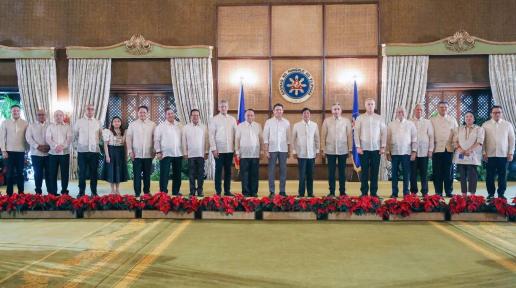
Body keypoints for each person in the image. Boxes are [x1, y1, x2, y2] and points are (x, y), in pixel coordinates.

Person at [354, 98, 386, 197]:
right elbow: (356, 132)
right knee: (364, 172)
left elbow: (384, 133)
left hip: (376, 149)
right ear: (365, 106)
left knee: (374, 171)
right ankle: (364, 192)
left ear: (374, 105)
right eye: (368, 104)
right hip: (363, 149)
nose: (370, 106)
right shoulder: (360, 118)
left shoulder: (379, 118)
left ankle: (373, 192)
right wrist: (358, 146)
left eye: (372, 104)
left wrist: (383, 146)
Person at [482, 106, 515, 199]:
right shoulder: (485, 125)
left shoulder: (508, 125)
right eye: (495, 112)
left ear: (501, 113)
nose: (497, 114)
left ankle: (501, 194)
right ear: (491, 114)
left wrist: (511, 152)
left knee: (502, 175)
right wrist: (484, 152)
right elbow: (482, 140)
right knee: (490, 176)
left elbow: (512, 140)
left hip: (503, 155)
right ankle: (491, 193)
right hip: (489, 155)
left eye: (499, 112)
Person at [321, 103, 352, 197]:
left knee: (342, 172)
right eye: (334, 109)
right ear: (332, 111)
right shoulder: (327, 121)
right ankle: (331, 192)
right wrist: (323, 149)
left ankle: (342, 192)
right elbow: (323, 136)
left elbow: (349, 136)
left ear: (341, 110)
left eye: (338, 109)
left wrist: (350, 149)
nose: (336, 111)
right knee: (331, 172)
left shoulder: (346, 121)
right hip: (330, 150)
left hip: (343, 150)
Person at [386, 107, 417, 198]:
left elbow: (414, 139)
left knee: (406, 173)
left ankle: (406, 192)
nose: (401, 113)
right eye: (399, 112)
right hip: (394, 153)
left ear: (405, 113)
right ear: (396, 113)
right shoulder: (391, 124)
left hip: (406, 152)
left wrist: (414, 151)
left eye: (402, 111)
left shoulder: (410, 124)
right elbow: (388, 139)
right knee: (394, 174)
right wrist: (387, 152)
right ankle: (394, 192)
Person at [126, 105, 156, 197]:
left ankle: (146, 192)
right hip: (136, 154)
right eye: (140, 112)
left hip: (148, 154)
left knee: (147, 175)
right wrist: (130, 151)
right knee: (137, 175)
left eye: (144, 112)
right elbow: (128, 138)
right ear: (137, 113)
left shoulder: (153, 124)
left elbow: (155, 138)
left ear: (147, 113)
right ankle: (137, 192)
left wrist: (155, 150)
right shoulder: (133, 124)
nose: (142, 114)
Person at [209, 100, 237, 196]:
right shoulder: (214, 119)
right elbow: (211, 135)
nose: (223, 108)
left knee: (228, 171)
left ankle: (227, 191)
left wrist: (236, 149)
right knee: (218, 171)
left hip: (230, 149)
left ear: (227, 107)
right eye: (221, 106)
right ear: (218, 108)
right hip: (219, 150)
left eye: (225, 106)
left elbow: (236, 135)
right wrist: (213, 149)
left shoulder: (232, 119)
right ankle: (218, 191)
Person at [430, 101, 458, 197]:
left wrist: (455, 146)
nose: (443, 109)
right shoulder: (432, 120)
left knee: (448, 172)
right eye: (441, 107)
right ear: (437, 108)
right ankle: (438, 192)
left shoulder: (452, 120)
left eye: (445, 107)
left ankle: (448, 191)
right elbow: (430, 135)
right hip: (436, 149)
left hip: (448, 149)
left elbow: (456, 134)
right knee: (437, 172)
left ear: (448, 108)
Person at [453, 112, 484, 196]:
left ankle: (472, 194)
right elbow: (455, 141)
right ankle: (463, 194)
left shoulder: (479, 129)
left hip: (472, 155)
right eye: (466, 117)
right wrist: (461, 150)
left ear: (474, 119)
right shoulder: (459, 129)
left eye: (471, 116)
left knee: (472, 176)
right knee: (462, 176)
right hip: (461, 154)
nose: (468, 118)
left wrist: (469, 150)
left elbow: (479, 142)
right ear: (464, 119)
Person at [263, 103, 291, 197]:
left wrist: (289, 151)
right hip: (272, 149)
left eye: (280, 109)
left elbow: (288, 138)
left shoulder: (286, 122)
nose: (278, 111)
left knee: (283, 170)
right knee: (271, 171)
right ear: (273, 111)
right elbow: (265, 137)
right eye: (277, 109)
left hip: (283, 149)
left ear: (283, 111)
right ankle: (272, 191)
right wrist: (266, 151)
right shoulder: (269, 122)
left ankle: (282, 191)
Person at [74, 104, 102, 197]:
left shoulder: (98, 122)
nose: (90, 111)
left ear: (94, 111)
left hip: (94, 151)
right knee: (82, 173)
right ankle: (81, 192)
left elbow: (100, 135)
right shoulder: (79, 122)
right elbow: (76, 134)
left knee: (94, 172)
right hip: (82, 151)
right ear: (85, 110)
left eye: (92, 109)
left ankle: (94, 192)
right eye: (88, 109)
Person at [0, 105, 28, 195]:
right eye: (14, 111)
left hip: (21, 151)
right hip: (9, 152)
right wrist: (3, 150)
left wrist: (27, 149)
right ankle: (9, 194)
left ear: (20, 112)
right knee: (9, 174)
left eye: (17, 111)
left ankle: (21, 193)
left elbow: (27, 137)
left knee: (20, 173)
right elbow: (2, 137)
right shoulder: (5, 122)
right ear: (10, 112)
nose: (15, 112)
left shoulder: (25, 123)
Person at [292, 108, 320, 197]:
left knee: (310, 175)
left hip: (311, 154)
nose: (306, 115)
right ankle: (301, 193)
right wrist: (294, 151)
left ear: (310, 114)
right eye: (304, 113)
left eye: (308, 113)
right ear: (302, 115)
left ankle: (310, 193)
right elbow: (293, 140)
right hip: (301, 154)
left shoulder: (314, 125)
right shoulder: (297, 125)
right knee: (302, 175)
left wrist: (318, 150)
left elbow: (317, 139)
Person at [155, 108, 183, 196]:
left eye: (171, 113)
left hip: (178, 153)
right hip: (165, 154)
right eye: (168, 114)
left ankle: (176, 191)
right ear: (165, 115)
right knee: (164, 174)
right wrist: (158, 151)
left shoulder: (180, 125)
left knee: (177, 174)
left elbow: (184, 139)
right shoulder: (161, 126)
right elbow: (156, 140)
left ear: (174, 114)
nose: (170, 115)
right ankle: (163, 192)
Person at [235, 109, 262, 197]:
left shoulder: (258, 126)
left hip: (255, 154)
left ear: (254, 116)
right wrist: (237, 152)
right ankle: (246, 192)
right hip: (244, 154)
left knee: (254, 174)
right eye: (248, 115)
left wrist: (261, 151)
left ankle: (254, 192)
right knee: (245, 174)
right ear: (245, 116)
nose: (250, 117)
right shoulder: (240, 126)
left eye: (251, 115)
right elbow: (237, 140)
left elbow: (261, 139)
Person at [182, 109, 209, 197]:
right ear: (190, 116)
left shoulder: (204, 127)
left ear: (199, 116)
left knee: (201, 174)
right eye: (193, 115)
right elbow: (184, 141)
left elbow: (206, 140)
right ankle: (192, 191)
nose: (195, 117)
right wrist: (185, 153)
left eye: (197, 115)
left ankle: (200, 190)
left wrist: (206, 152)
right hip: (190, 155)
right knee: (191, 174)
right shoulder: (186, 127)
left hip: (201, 154)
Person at [409, 104, 434, 196]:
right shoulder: (409, 122)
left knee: (424, 173)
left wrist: (430, 150)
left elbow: (431, 136)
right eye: (417, 109)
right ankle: (413, 191)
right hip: (412, 152)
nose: (419, 111)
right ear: (414, 110)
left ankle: (424, 191)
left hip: (424, 152)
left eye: (421, 109)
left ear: (422, 111)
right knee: (413, 173)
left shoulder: (428, 122)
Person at [45, 110, 72, 195]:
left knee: (65, 174)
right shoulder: (50, 126)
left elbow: (69, 139)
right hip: (53, 154)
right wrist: (56, 146)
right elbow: (48, 138)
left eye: (60, 115)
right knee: (52, 174)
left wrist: (62, 147)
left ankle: (64, 191)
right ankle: (53, 192)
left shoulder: (68, 126)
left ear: (63, 116)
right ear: (54, 117)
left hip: (65, 153)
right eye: (56, 115)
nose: (58, 117)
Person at [25, 109, 51, 195]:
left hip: (49, 154)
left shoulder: (50, 126)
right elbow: (28, 138)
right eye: (39, 115)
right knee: (38, 174)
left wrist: (49, 147)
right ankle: (38, 192)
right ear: (36, 116)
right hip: (36, 154)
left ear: (46, 116)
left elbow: (53, 137)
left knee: (49, 174)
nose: (41, 116)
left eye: (43, 114)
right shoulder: (31, 126)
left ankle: (50, 192)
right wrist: (38, 146)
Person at [102, 116, 128, 195]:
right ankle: (112, 190)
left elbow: (125, 145)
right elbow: (105, 145)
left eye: (118, 121)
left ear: (120, 123)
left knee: (118, 171)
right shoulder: (108, 131)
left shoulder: (124, 131)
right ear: (112, 123)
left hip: (120, 152)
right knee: (111, 171)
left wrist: (126, 155)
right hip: (111, 152)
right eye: (115, 121)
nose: (117, 123)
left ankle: (117, 189)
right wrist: (107, 156)